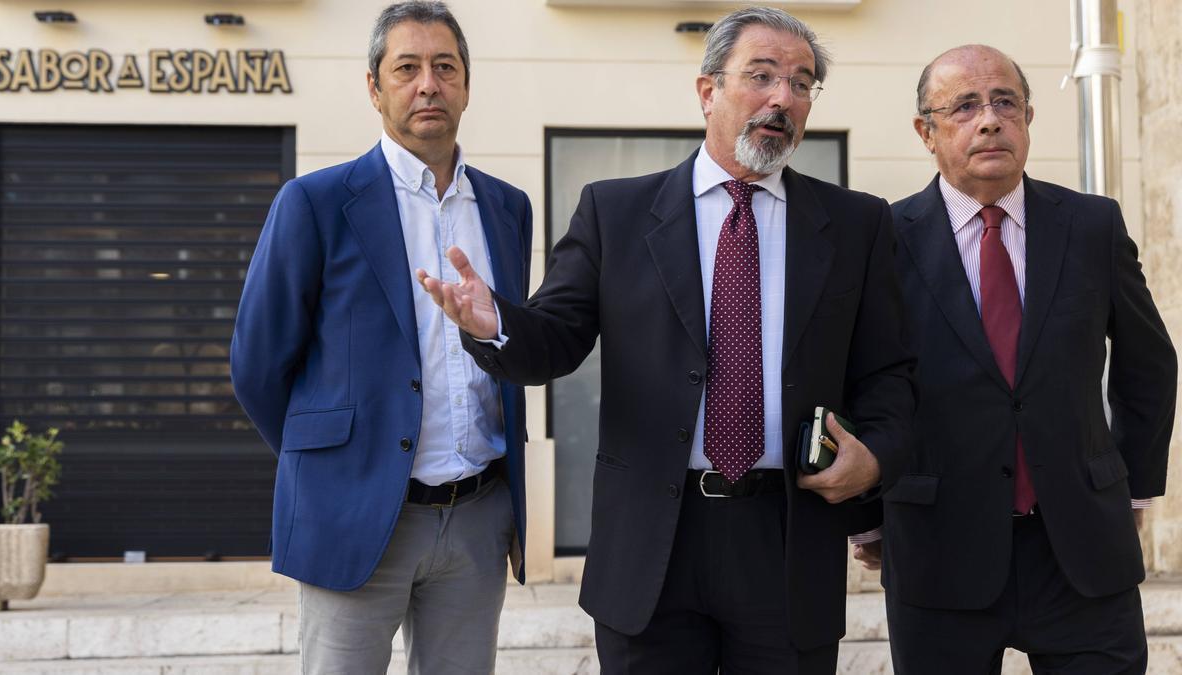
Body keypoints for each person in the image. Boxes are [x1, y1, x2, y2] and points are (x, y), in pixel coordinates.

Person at [419, 7, 915, 673]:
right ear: (707, 90)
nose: (782, 99)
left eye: (801, 84)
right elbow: (557, 340)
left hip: (787, 536)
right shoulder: (617, 212)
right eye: (762, 76)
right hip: (653, 541)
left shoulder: (856, 224)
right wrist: (495, 323)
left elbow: (890, 372)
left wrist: (876, 453)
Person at [229, 2, 533, 672]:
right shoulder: (315, 203)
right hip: (355, 514)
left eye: (445, 67)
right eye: (408, 68)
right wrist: (333, 468)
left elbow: (509, 343)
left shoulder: (509, 207)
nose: (429, 84)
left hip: (478, 515)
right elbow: (256, 364)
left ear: (466, 85)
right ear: (375, 87)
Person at [868, 44, 1177, 674]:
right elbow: (860, 382)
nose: (989, 120)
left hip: (1081, 553)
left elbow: (1148, 364)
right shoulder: (882, 238)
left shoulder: (1090, 226)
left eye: (1005, 102)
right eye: (964, 107)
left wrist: (1133, 490)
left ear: (1029, 117)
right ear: (926, 132)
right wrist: (862, 514)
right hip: (937, 553)